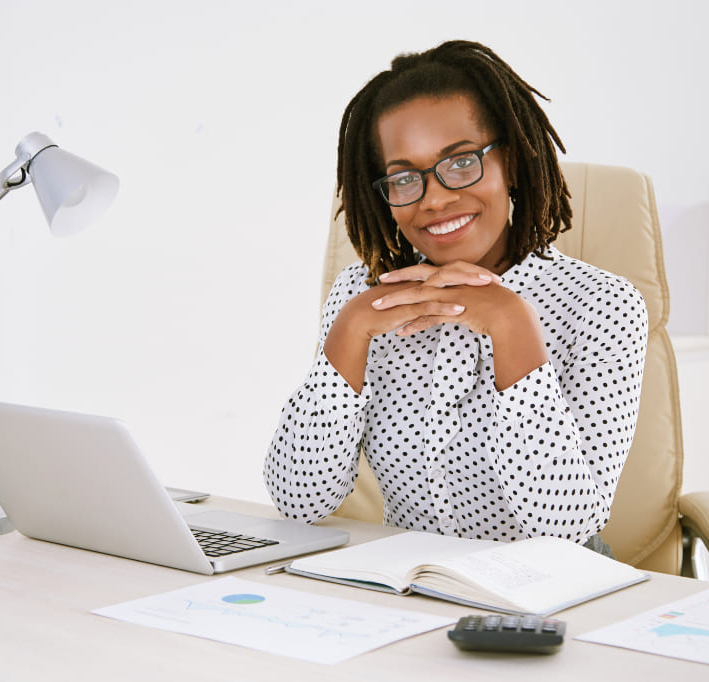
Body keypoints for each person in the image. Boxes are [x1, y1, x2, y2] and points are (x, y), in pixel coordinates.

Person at [264, 40, 648, 553]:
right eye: (403, 178)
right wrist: (351, 331)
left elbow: (567, 526)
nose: (436, 198)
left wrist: (513, 326)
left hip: (547, 595)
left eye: (462, 162)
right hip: (410, 581)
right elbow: (299, 500)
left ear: (509, 162)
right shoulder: (361, 297)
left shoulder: (603, 305)